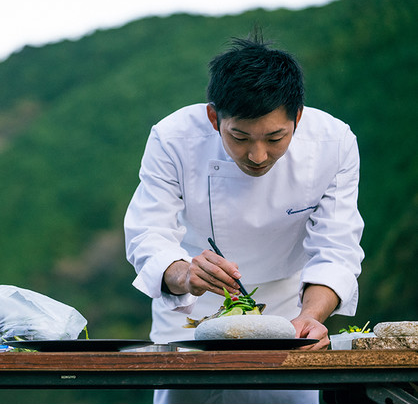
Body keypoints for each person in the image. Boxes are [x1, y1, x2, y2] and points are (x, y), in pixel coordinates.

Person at [124, 32, 364, 404]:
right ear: (213, 116)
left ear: (297, 118)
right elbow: (147, 233)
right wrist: (184, 273)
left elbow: (337, 249)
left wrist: (311, 317)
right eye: (239, 137)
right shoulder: (173, 138)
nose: (257, 155)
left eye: (274, 138)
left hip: (289, 314)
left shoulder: (334, 143)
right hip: (191, 311)